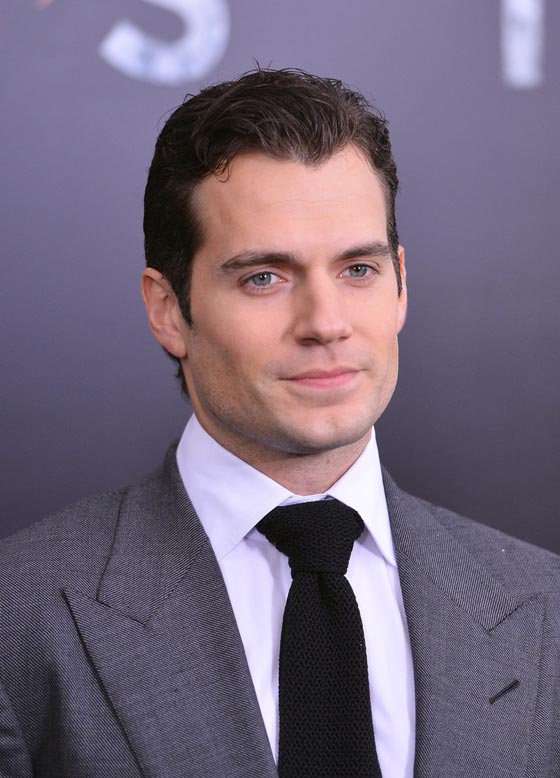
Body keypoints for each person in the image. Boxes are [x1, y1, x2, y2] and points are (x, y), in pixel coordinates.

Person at [0, 68, 558, 778]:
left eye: (358, 269)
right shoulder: (18, 617)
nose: (325, 323)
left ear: (401, 285)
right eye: (264, 277)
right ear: (168, 310)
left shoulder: (545, 604)